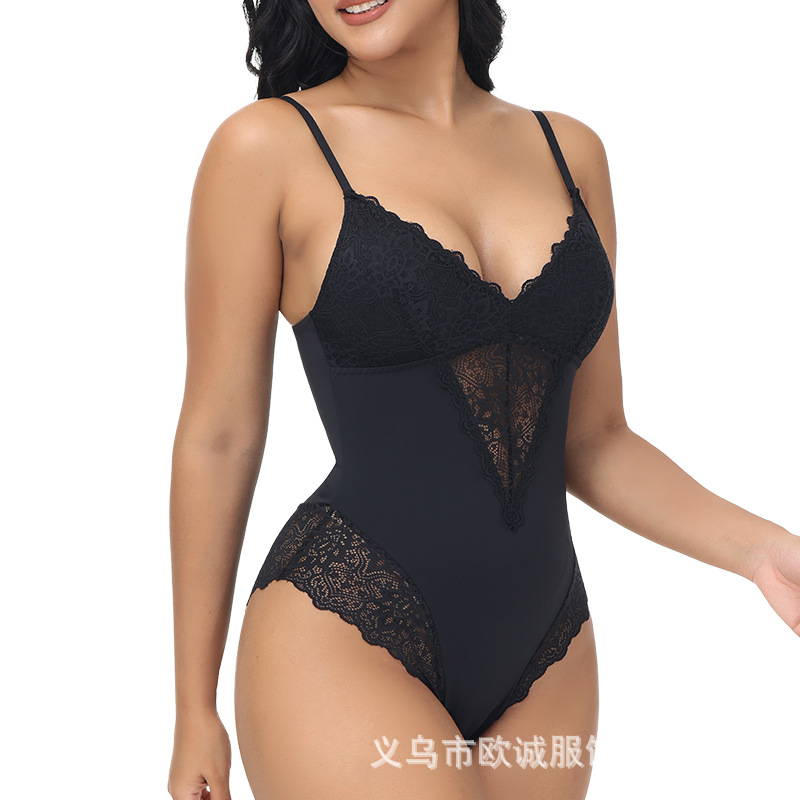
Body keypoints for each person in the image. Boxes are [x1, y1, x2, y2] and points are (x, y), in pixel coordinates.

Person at [167, 1, 800, 798]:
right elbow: (219, 436)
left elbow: (596, 439)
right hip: (343, 625)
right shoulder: (267, 148)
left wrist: (762, 551)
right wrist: (193, 707)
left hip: (548, 650)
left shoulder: (570, 152)